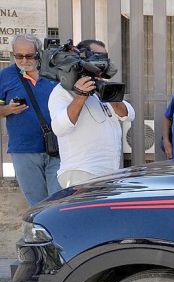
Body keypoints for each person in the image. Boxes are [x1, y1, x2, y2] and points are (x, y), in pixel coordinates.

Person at [48, 39, 135, 188]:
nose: (102, 62)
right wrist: (81, 95)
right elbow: (59, 128)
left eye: (104, 57)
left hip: (109, 174)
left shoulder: (101, 86)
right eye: (97, 56)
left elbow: (128, 115)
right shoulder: (62, 91)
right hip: (81, 174)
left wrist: (111, 95)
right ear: (82, 58)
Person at [0, 34, 62, 205]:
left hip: (59, 147)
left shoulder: (54, 73)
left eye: (29, 55)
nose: (24, 60)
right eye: (19, 56)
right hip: (24, 150)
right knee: (37, 204)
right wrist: (8, 109)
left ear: (39, 52)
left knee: (58, 201)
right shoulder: (5, 76)